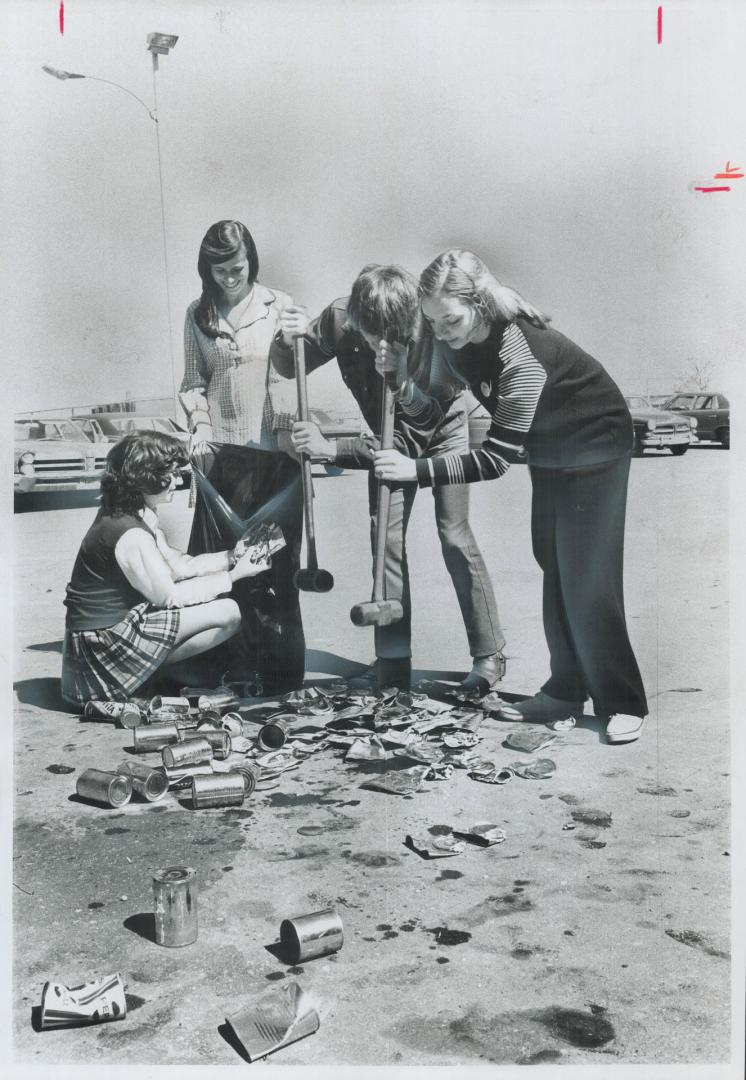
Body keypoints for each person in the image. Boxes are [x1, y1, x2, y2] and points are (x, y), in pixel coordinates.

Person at [372, 249, 647, 743]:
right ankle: (565, 689)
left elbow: (494, 461)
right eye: (431, 323)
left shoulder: (520, 351)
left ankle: (623, 701)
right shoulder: (450, 343)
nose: (440, 332)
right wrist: (401, 380)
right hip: (550, 449)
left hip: (596, 442)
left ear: (476, 303)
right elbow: (430, 414)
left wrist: (414, 470)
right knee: (554, 565)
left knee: (588, 576)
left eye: (449, 320)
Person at [270, 264, 505, 692]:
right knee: (386, 542)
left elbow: (413, 434)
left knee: (454, 535)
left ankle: (489, 654)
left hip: (441, 425)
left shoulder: (429, 332)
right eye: (370, 333)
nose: (381, 342)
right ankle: (393, 662)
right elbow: (289, 367)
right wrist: (286, 341)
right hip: (384, 434)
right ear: (356, 319)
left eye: (392, 334)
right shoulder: (339, 318)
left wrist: (334, 448)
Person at [179, 220, 305, 694]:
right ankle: (233, 670)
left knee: (275, 567)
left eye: (237, 267)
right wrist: (201, 429)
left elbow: (290, 374)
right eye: (219, 271)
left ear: (251, 259)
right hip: (224, 460)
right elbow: (193, 380)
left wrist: (288, 430)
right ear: (205, 270)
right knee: (228, 565)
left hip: (274, 458)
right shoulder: (197, 313)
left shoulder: (281, 306)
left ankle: (278, 674)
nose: (229, 278)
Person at [61, 432, 271, 706]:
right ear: (144, 478)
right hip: (99, 650)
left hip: (103, 636)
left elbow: (177, 565)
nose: (177, 481)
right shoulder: (129, 533)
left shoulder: (130, 513)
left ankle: (144, 674)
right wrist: (234, 576)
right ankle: (141, 678)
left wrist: (232, 556)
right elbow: (168, 596)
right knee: (229, 612)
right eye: (169, 475)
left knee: (215, 600)